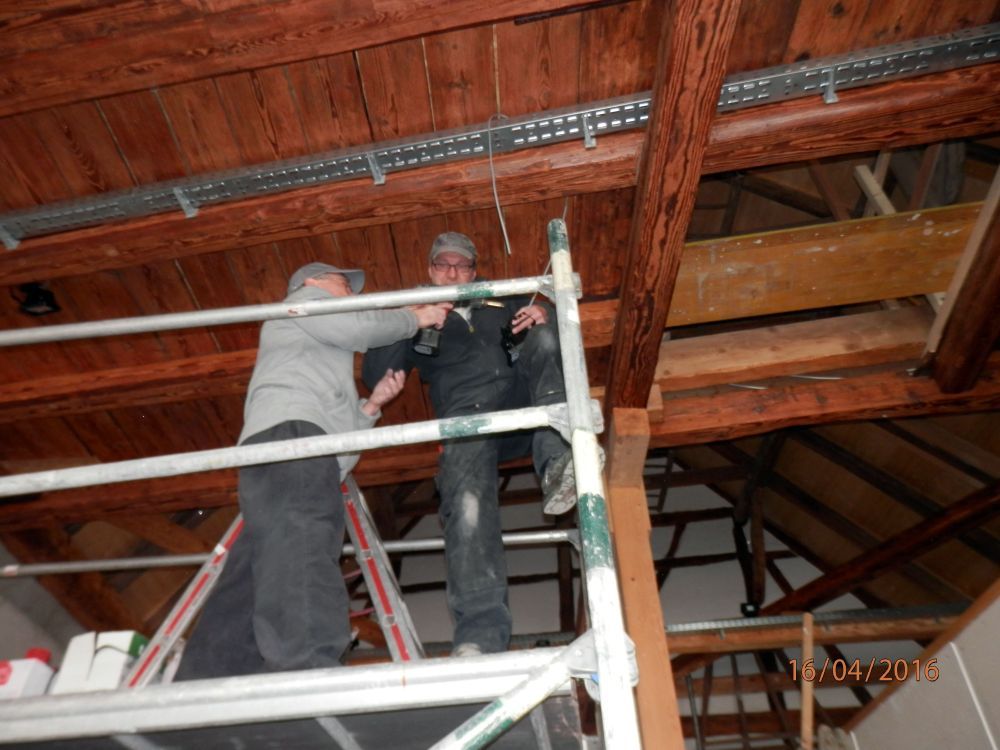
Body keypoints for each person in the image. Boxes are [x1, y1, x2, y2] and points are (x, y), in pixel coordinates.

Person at [175, 262, 450, 679]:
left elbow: (340, 457)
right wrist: (417, 317)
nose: (353, 295)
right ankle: (306, 665)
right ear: (312, 282)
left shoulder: (317, 360)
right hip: (293, 436)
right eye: (345, 285)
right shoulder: (303, 302)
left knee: (258, 563)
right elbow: (359, 330)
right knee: (305, 538)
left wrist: (371, 405)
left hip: (287, 444)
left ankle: (207, 678)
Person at [362, 232, 578, 658]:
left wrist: (544, 313)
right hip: (466, 418)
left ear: (474, 271)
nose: (453, 272)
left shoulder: (500, 298)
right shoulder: (416, 310)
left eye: (462, 266)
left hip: (519, 404)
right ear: (431, 270)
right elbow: (375, 375)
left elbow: (553, 338)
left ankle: (558, 463)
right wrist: (411, 319)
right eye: (444, 265)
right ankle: (480, 638)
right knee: (467, 509)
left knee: (546, 337)